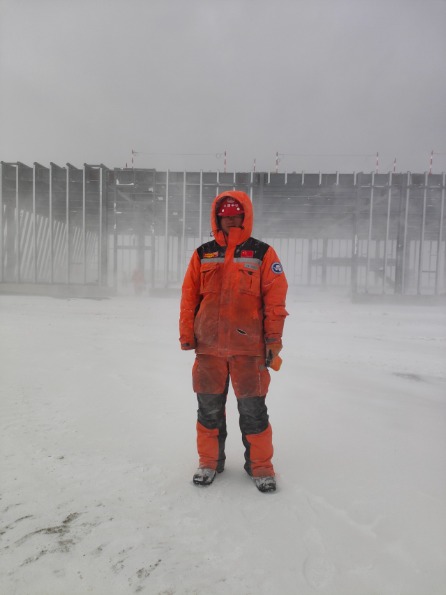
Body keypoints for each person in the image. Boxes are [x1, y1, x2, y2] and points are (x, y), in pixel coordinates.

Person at [179, 191, 288, 493]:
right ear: (217, 218)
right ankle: (209, 462)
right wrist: (187, 334)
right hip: (209, 350)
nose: (230, 220)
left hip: (249, 350)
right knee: (208, 410)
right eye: (225, 215)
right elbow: (189, 297)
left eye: (236, 214)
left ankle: (261, 467)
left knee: (253, 410)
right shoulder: (203, 254)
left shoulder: (262, 253)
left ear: (245, 216)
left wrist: (273, 339)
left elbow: (275, 300)